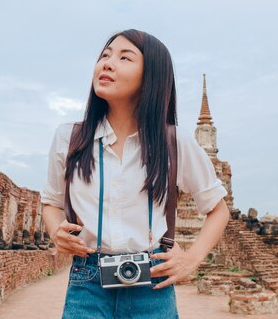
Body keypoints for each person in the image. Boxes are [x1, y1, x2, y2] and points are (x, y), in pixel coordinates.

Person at [41, 29, 230, 319]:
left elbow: (218, 209)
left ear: (150, 77)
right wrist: (56, 231)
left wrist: (191, 259)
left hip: (152, 281)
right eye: (104, 55)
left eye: (124, 57)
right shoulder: (69, 138)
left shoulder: (173, 142)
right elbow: (52, 202)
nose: (107, 63)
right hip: (88, 280)